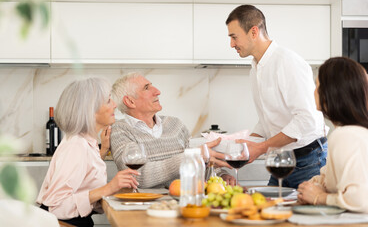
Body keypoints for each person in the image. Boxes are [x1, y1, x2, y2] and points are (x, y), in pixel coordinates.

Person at [226, 5, 328, 188]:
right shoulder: (255, 69)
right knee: (270, 210)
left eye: (234, 37)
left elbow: (306, 120)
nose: (231, 44)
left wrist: (259, 148)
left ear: (254, 32)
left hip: (309, 160)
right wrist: (246, 144)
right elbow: (267, 120)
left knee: (307, 215)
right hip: (282, 159)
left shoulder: (288, 62)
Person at [37, 77, 139, 227]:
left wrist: (115, 190)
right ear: (90, 109)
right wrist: (108, 188)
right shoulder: (77, 145)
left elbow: (84, 195)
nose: (115, 105)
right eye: (108, 100)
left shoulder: (87, 143)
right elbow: (56, 207)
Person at [110, 72, 236, 188]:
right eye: (147, 88)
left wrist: (220, 175)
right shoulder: (120, 130)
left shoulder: (175, 124)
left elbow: (199, 163)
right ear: (130, 101)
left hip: (186, 201)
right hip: (147, 207)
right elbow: (137, 177)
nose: (157, 91)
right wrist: (189, 157)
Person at [297, 57, 368, 212]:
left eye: (317, 86)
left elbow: (362, 199)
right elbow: (333, 177)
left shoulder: (345, 135)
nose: (314, 91)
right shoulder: (355, 132)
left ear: (331, 92)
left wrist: (319, 197)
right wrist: (315, 185)